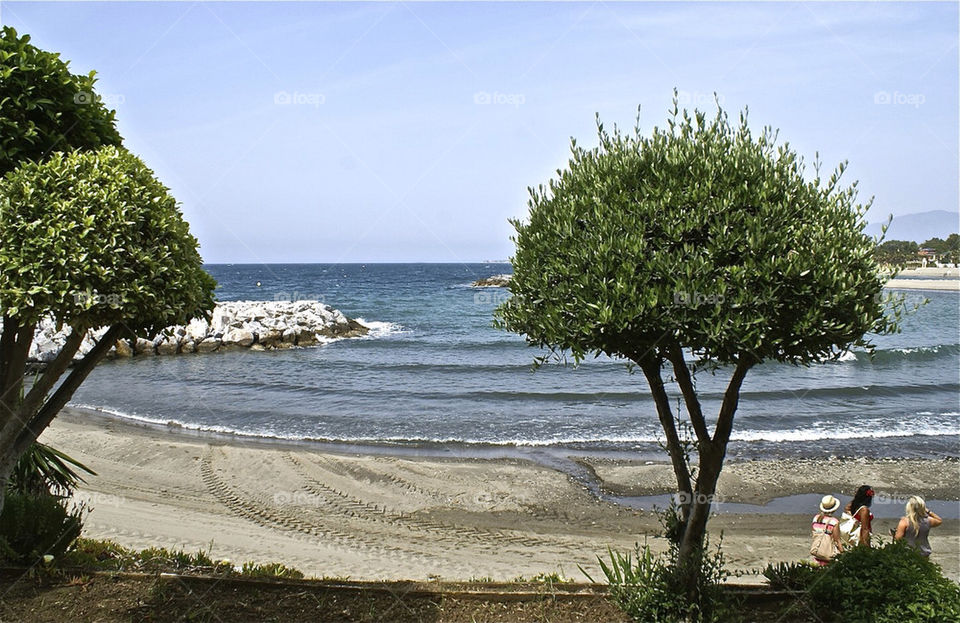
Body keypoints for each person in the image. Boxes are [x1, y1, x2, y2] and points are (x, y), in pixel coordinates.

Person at [811, 495, 844, 565]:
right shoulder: (834, 522)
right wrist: (843, 552)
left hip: (817, 552)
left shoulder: (816, 518)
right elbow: (837, 540)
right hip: (828, 554)